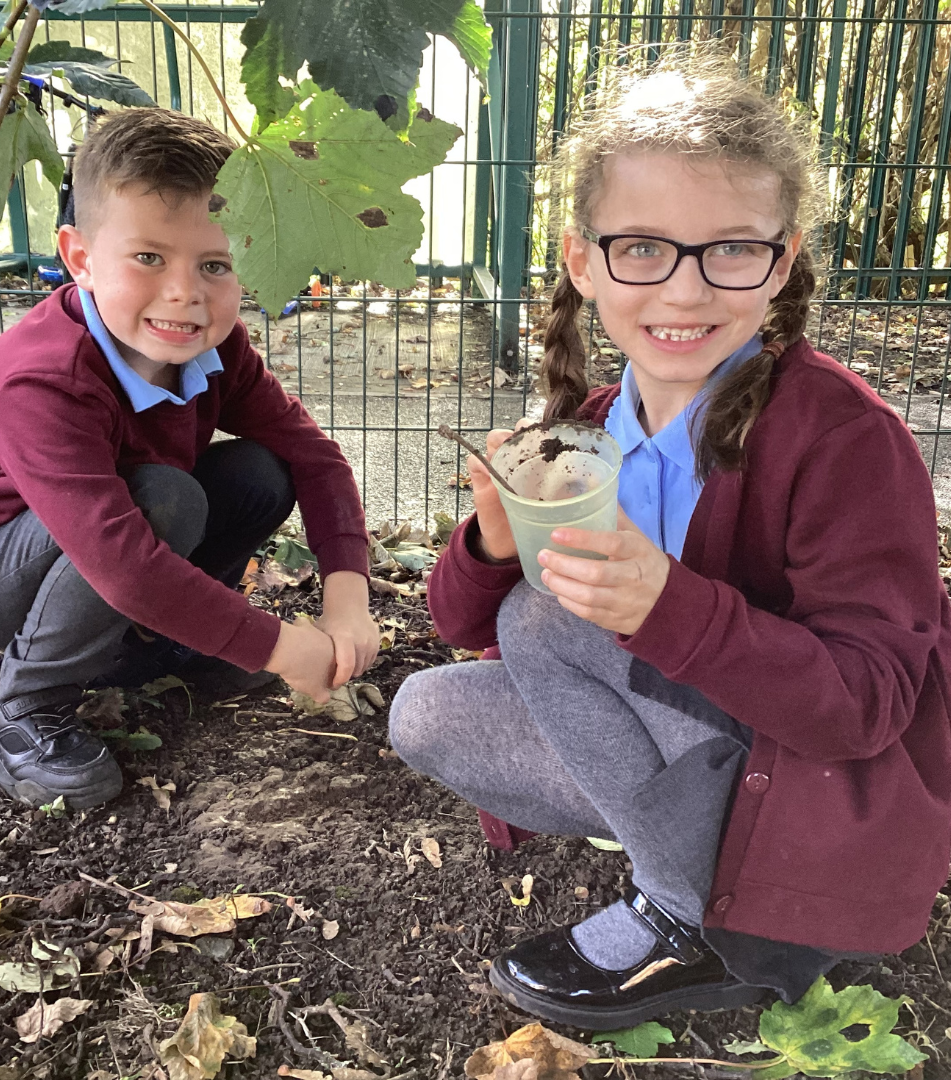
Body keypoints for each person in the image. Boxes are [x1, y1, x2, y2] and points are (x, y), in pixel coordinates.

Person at [388, 52, 951, 1029]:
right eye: (643, 248)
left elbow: (866, 707)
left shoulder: (845, 440)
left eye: (730, 249)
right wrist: (492, 540)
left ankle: (701, 918)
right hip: (713, 748)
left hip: (824, 778)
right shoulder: (586, 430)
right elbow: (456, 622)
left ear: (782, 260)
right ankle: (710, 853)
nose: (685, 293)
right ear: (583, 260)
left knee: (545, 621)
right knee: (429, 712)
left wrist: (667, 609)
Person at [0, 108, 378, 811]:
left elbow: (315, 457)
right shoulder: (45, 382)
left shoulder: (217, 349)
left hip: (84, 545)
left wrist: (348, 598)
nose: (185, 292)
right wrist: (280, 647)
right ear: (80, 258)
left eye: (215, 264)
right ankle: (20, 701)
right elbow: (123, 563)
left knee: (259, 472)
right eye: (149, 258)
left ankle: (165, 645)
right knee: (164, 499)